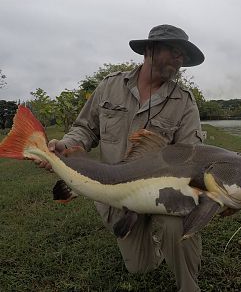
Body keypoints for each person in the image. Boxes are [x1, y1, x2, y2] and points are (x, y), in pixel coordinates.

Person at [37, 24, 205, 291]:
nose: (180, 59)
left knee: (180, 223)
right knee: (140, 267)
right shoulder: (110, 86)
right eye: (174, 51)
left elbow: (190, 154)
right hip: (119, 194)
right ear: (150, 50)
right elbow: (85, 128)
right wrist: (65, 146)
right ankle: (155, 247)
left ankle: (189, 285)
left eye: (183, 55)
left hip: (164, 193)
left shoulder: (184, 101)